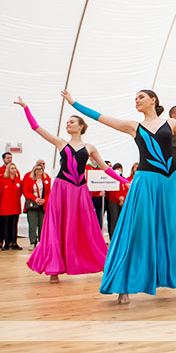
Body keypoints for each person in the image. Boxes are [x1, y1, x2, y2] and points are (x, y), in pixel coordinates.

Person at [61, 89, 176, 303]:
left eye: (141, 97)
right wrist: (74, 103)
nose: (137, 101)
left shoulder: (171, 124)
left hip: (170, 182)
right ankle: (123, 285)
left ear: (153, 100)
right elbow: (100, 117)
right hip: (146, 182)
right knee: (136, 230)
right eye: (135, 99)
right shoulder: (133, 126)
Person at [13, 96, 122, 283]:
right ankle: (54, 268)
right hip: (62, 189)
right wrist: (26, 107)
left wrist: (123, 181)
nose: (67, 125)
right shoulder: (61, 143)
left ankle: (101, 261)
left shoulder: (90, 148)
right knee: (57, 226)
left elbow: (105, 168)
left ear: (81, 126)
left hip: (80, 191)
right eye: (67, 123)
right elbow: (36, 127)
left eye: (71, 122)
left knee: (85, 226)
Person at [23, 163, 50, 251]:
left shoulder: (46, 179)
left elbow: (49, 191)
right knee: (33, 225)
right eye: (37, 169)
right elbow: (26, 191)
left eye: (41, 169)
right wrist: (35, 199)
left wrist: (44, 200)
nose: (39, 171)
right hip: (33, 205)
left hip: (43, 205)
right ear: (34, 171)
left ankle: (42, 242)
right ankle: (32, 242)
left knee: (42, 225)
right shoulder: (29, 179)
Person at [0, 162, 23, 251]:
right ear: (8, 170)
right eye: (12, 168)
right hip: (5, 207)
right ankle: (6, 243)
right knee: (5, 225)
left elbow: (20, 193)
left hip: (15, 206)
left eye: (15, 168)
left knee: (14, 225)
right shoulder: (2, 182)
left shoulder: (19, 181)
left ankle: (14, 242)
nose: (14, 170)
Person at [106, 163, 128, 239]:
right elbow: (112, 191)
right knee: (114, 220)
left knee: (121, 220)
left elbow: (127, 189)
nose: (119, 170)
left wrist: (123, 198)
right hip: (113, 201)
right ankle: (113, 238)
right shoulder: (112, 180)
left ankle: (121, 238)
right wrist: (118, 197)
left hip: (122, 202)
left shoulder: (124, 179)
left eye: (120, 169)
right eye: (117, 169)